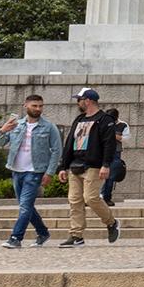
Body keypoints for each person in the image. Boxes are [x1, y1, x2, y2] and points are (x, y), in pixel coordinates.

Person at [55, 88, 121, 247]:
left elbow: (109, 144)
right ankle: (76, 235)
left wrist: (106, 164)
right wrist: (63, 166)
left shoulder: (105, 120)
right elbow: (69, 143)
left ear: (88, 100)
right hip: (75, 165)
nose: (78, 102)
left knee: (90, 198)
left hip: (94, 165)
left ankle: (111, 222)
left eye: (79, 99)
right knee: (74, 200)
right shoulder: (79, 119)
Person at [0, 94, 59, 248]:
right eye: (35, 106)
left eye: (40, 106)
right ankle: (43, 232)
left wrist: (49, 172)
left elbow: (56, 151)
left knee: (24, 206)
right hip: (16, 171)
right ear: (26, 106)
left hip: (35, 172)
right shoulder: (17, 125)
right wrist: (2, 130)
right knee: (26, 206)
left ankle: (16, 238)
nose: (38, 109)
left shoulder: (49, 127)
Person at [102, 116, 129, 206]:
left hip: (115, 153)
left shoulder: (123, 125)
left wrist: (114, 135)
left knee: (111, 176)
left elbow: (126, 138)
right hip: (102, 151)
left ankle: (106, 197)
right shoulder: (102, 123)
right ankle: (94, 197)